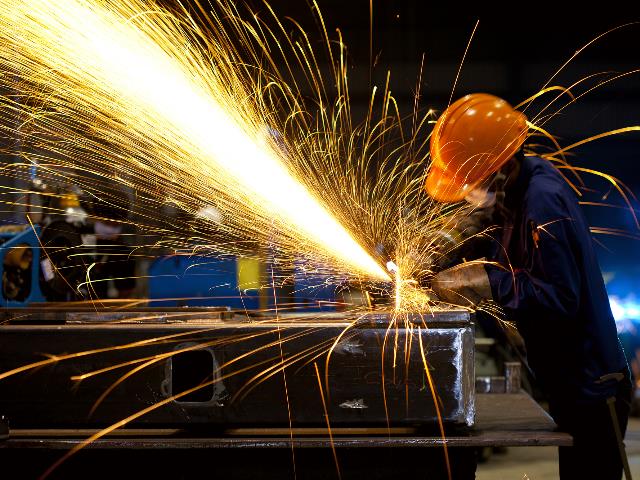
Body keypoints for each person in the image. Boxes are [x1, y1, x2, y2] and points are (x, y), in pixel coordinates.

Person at [428, 93, 632, 479]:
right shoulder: (517, 185)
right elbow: (483, 223)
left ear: (502, 168)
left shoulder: (543, 201)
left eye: (473, 182)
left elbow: (559, 299)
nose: (468, 192)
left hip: (595, 388)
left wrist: (486, 280)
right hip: (568, 383)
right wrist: (441, 247)